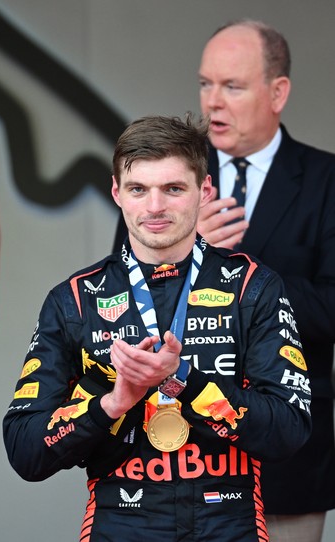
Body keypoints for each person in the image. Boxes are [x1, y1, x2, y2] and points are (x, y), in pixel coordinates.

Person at [4, 114, 311, 541]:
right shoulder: (75, 298)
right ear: (117, 193)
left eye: (173, 189)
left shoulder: (252, 287)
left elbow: (290, 429)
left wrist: (183, 381)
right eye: (138, 189)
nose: (154, 207)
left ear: (204, 191)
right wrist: (111, 403)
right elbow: (25, 451)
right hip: (120, 526)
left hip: (229, 527)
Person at [112, 20, 335, 541]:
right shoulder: (169, 177)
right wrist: (182, 249)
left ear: (278, 92)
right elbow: (114, 295)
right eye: (205, 84)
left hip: (286, 461)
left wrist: (231, 270)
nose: (213, 102)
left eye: (232, 86)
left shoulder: (327, 181)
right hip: (166, 462)